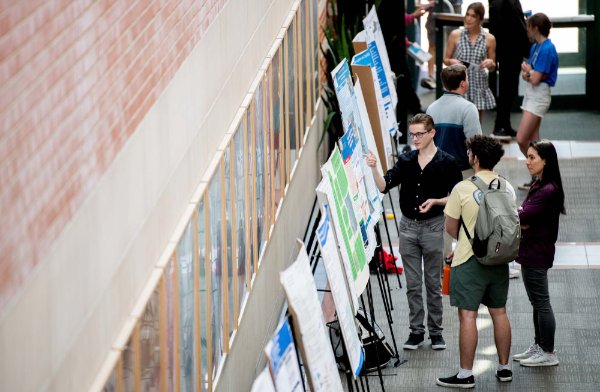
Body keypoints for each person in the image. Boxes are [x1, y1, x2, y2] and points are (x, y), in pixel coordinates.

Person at [365, 114, 462, 351]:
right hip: (407, 227)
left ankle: (436, 333)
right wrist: (375, 168)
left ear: (432, 133)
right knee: (412, 284)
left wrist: (436, 201)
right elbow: (383, 186)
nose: (415, 139)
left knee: (433, 282)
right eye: (412, 134)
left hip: (433, 226)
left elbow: (458, 196)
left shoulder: (447, 162)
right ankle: (416, 331)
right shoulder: (406, 160)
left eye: (420, 134)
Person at [437, 135, 514, 388]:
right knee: (499, 312)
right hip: (499, 259)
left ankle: (465, 374)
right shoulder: (507, 186)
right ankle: (504, 368)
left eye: (470, 152)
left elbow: (450, 227)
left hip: (469, 260)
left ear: (475, 158)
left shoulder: (463, 188)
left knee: (468, 317)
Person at [513, 140, 565, 367]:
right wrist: (524, 219)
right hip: (531, 249)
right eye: (528, 156)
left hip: (537, 251)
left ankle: (548, 351)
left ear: (546, 161)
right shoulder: (540, 184)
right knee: (537, 302)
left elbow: (522, 216)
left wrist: (524, 220)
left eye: (532, 157)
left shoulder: (547, 190)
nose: (528, 161)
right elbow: (524, 216)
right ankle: (539, 345)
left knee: (541, 302)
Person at [516, 13, 559, 190]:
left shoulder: (547, 49)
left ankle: (541, 173)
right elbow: (528, 76)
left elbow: (534, 78)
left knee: (521, 139)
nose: (527, 30)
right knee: (535, 140)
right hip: (531, 94)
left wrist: (528, 74)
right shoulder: (536, 47)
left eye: (529, 27)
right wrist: (528, 74)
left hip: (539, 95)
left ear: (535, 28)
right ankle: (540, 178)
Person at [444, 2, 496, 123]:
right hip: (459, 83)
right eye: (467, 14)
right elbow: (446, 60)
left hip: (478, 84)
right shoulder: (455, 34)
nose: (468, 18)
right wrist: (452, 61)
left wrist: (490, 63)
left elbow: (493, 67)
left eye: (473, 16)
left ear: (480, 19)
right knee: (458, 122)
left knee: (476, 124)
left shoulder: (490, 39)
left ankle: (474, 143)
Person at [427, 64, 481, 177]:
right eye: (467, 78)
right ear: (462, 83)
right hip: (461, 171)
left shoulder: (431, 108)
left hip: (436, 170)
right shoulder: (468, 108)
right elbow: (476, 143)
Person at [489, 0, 531, 140]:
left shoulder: (502, 3)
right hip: (509, 51)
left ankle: (504, 124)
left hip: (510, 51)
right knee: (507, 90)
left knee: (509, 89)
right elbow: (502, 28)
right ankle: (500, 125)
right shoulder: (501, 3)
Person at [422, 0, 463, 90]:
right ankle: (431, 77)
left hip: (454, 5)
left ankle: (452, 79)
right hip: (438, 5)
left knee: (453, 43)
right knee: (433, 44)